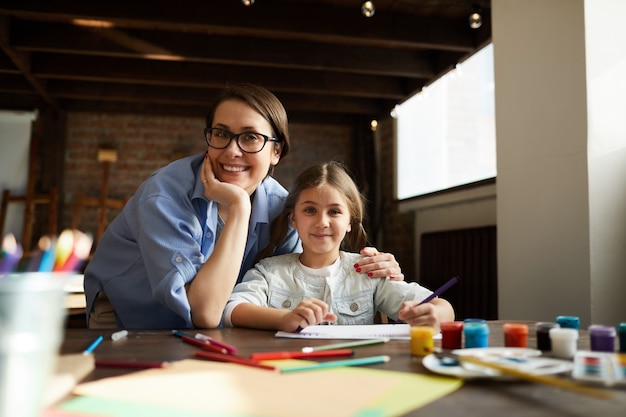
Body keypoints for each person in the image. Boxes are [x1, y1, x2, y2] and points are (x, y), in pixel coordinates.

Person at [84, 84, 404, 329]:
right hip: (127, 315)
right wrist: (239, 207)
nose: (232, 150)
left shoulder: (283, 206)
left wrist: (365, 271)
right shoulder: (165, 197)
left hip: (213, 325)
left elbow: (300, 275)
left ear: (276, 151)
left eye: (250, 138)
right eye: (221, 134)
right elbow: (205, 312)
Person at [223, 161, 455, 332]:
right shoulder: (269, 271)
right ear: (293, 219)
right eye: (310, 210)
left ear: (349, 223)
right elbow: (233, 309)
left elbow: (437, 304)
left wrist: (439, 313)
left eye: (334, 211)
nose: (322, 222)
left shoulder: (368, 272)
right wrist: (284, 318)